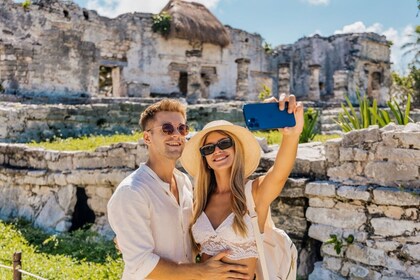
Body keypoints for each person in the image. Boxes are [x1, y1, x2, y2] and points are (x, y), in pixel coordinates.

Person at [107, 99, 250, 280]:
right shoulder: (132, 192)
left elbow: (190, 242)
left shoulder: (184, 183)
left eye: (182, 129)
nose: (176, 135)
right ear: (147, 138)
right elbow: (142, 264)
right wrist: (202, 271)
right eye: (167, 129)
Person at [180, 94, 304, 279]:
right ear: (205, 159)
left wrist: (291, 136)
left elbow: (279, 174)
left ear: (236, 148)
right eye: (209, 149)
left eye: (224, 143)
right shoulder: (199, 199)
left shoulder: (253, 193)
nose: (218, 151)